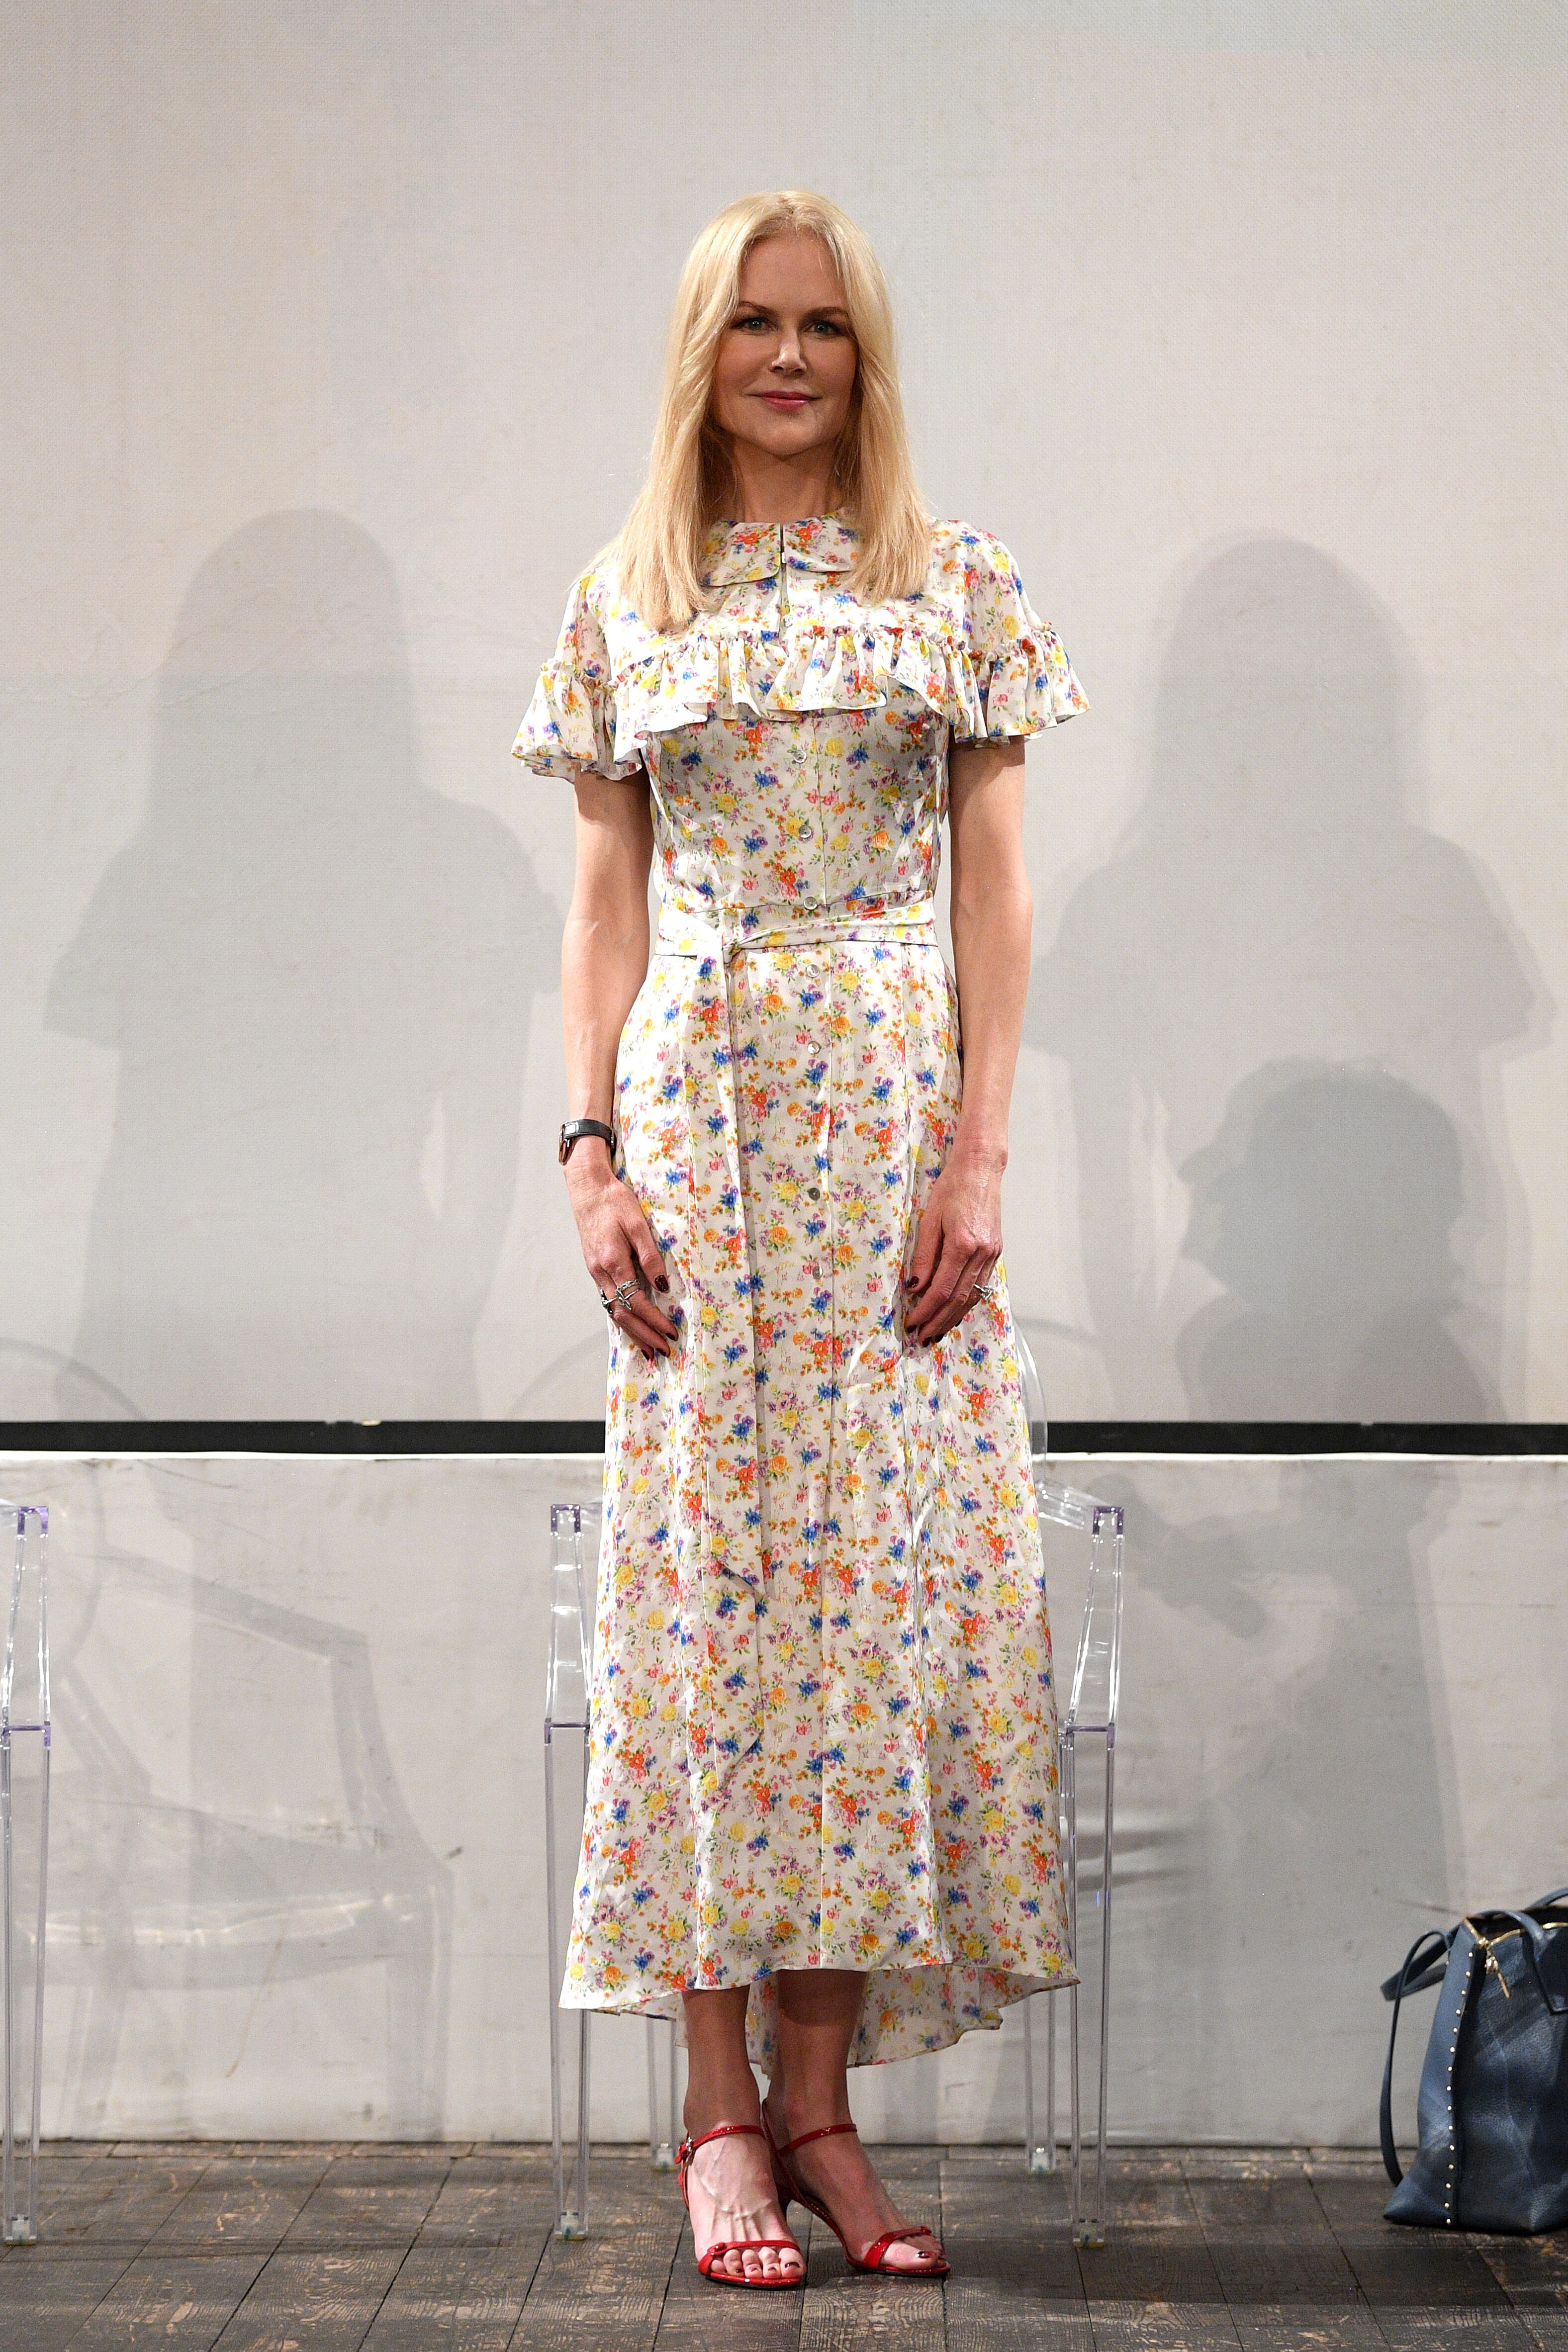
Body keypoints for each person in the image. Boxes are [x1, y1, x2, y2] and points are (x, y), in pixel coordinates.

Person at [515, 189, 1088, 2290]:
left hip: (889, 1143)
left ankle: (829, 2102)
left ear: (866, 355)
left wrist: (981, 1159)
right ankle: (717, 2116)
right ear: (703, 348)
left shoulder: (957, 577)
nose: (787, 356)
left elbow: (998, 892)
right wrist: (588, 1151)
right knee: (706, 1611)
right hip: (697, 1136)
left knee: (874, 1620)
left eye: (822, 326)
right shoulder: (626, 593)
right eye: (753, 323)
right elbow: (601, 902)